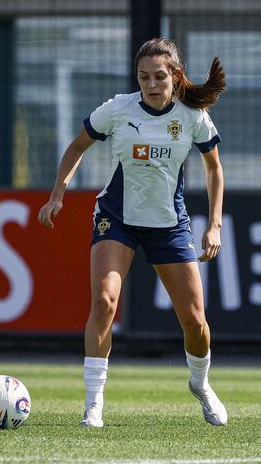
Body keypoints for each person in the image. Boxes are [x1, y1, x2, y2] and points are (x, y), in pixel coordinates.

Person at [38, 37, 228, 428]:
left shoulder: (192, 117)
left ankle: (201, 383)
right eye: (144, 77)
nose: (151, 84)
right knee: (104, 301)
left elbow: (214, 169)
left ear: (175, 76)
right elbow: (76, 147)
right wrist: (57, 194)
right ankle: (93, 403)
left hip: (169, 225)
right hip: (117, 218)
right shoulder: (118, 109)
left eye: (159, 76)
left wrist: (214, 225)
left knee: (195, 321)